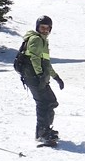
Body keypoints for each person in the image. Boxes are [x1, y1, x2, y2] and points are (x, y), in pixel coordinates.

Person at [21, 15, 64, 145]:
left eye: (47, 28)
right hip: (34, 78)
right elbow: (34, 58)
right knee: (44, 103)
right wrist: (39, 75)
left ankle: (44, 130)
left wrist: (56, 77)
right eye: (42, 27)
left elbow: (46, 63)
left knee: (49, 102)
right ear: (37, 28)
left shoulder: (43, 40)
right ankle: (42, 133)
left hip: (36, 78)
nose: (45, 30)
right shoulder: (36, 39)